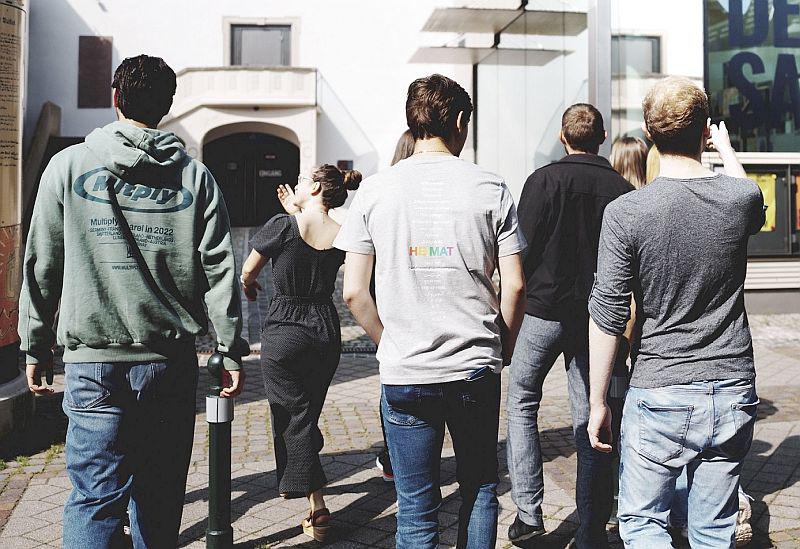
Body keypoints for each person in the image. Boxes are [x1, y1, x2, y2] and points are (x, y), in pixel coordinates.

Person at [19, 55, 248, 548]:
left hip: (93, 361)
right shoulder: (195, 178)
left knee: (94, 499)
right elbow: (220, 272)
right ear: (167, 107)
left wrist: (35, 345)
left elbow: (41, 263)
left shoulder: (67, 166)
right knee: (161, 497)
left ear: (115, 99)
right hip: (169, 361)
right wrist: (228, 348)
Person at [336, 74, 527, 548]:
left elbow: (355, 293)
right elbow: (517, 283)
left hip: (405, 371)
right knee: (480, 489)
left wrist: (389, 341)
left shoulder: (375, 192)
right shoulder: (490, 186)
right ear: (460, 121)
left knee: (416, 510)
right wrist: (501, 343)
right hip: (472, 367)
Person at [587, 76, 764, 547]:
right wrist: (725, 151)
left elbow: (607, 314)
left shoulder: (628, 213)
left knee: (644, 525)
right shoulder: (739, 198)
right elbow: (754, 202)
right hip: (731, 387)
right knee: (713, 530)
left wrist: (597, 400)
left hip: (660, 388)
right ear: (704, 130)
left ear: (650, 135)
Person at [506, 103, 633, 547]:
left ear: (564, 137)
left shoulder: (543, 181)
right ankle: (592, 522)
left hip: (543, 310)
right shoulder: (621, 188)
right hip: (597, 318)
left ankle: (528, 513)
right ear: (600, 139)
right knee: (591, 417)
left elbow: (522, 251)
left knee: (522, 400)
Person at [241, 164, 361, 543]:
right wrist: (298, 210)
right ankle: (308, 492)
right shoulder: (343, 234)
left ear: (312, 187)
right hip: (325, 331)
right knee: (306, 415)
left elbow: (248, 271)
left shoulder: (282, 225)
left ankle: (318, 505)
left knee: (294, 419)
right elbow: (314, 243)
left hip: (284, 330)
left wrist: (248, 287)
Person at [375, 129, 415, 483]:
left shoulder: (380, 194)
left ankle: (392, 459)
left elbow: (355, 292)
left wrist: (381, 336)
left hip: (396, 334)